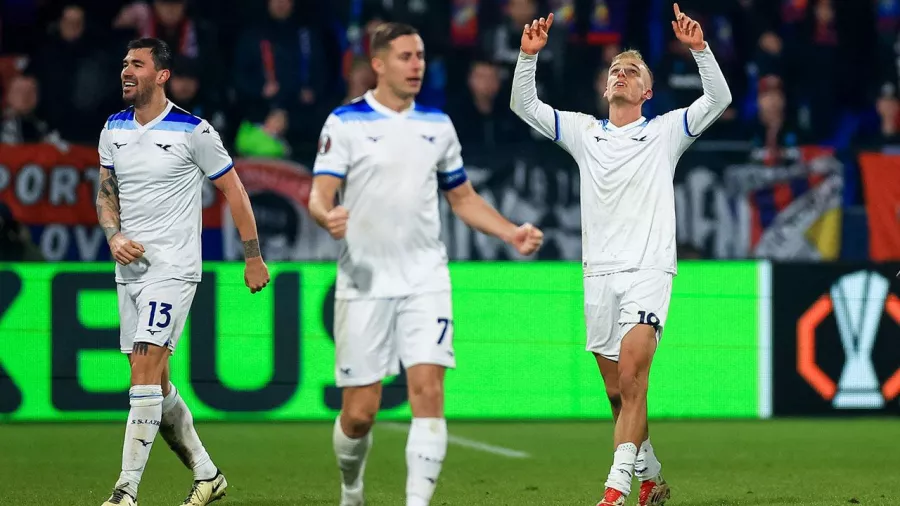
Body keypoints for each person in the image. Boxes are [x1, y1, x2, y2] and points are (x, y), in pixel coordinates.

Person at [308, 22, 545, 506]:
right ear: (377, 64)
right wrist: (325, 215)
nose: (416, 65)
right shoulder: (345, 122)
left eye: (419, 56)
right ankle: (351, 489)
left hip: (425, 278)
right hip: (365, 281)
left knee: (429, 392)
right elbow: (319, 194)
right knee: (359, 413)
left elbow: (462, 198)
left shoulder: (437, 125)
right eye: (405, 57)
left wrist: (509, 231)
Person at [510, 5, 731, 506]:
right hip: (598, 275)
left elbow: (719, 97)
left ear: (646, 92)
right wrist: (528, 57)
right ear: (605, 87)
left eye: (632, 72)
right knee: (619, 395)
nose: (621, 74)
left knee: (633, 377)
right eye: (615, 70)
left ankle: (616, 491)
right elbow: (525, 106)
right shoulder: (585, 134)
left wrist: (699, 49)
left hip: (649, 269)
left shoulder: (666, 132)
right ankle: (649, 475)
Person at [96, 37, 270, 506]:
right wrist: (113, 236)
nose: (126, 71)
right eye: (124, 63)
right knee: (152, 379)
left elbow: (235, 192)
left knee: (147, 362)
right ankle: (208, 474)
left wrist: (252, 256)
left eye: (137, 64)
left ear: (162, 75)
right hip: (130, 270)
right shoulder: (113, 128)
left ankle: (125, 491)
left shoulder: (194, 131)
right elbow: (106, 192)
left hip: (173, 268)